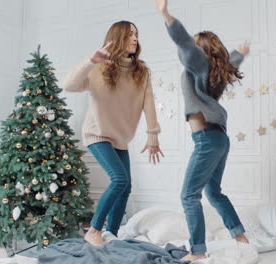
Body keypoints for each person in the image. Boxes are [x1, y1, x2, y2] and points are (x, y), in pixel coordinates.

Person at [154, 0, 251, 261]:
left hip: (207, 140)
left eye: (196, 45)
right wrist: (240, 53)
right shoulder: (215, 71)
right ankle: (240, 236)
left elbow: (185, 43)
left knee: (189, 195)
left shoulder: (198, 62)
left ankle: (198, 252)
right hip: (219, 139)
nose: (190, 49)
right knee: (214, 192)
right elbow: (230, 64)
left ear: (201, 51)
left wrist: (167, 16)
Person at [63, 20, 163, 246]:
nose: (135, 39)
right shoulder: (99, 67)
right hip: (97, 134)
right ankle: (94, 229)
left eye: (136, 34)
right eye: (129, 35)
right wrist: (90, 61)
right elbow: (68, 85)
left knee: (126, 186)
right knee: (119, 179)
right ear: (117, 38)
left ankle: (112, 235)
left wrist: (153, 134)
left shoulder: (142, 71)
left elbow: (149, 102)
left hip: (120, 137)